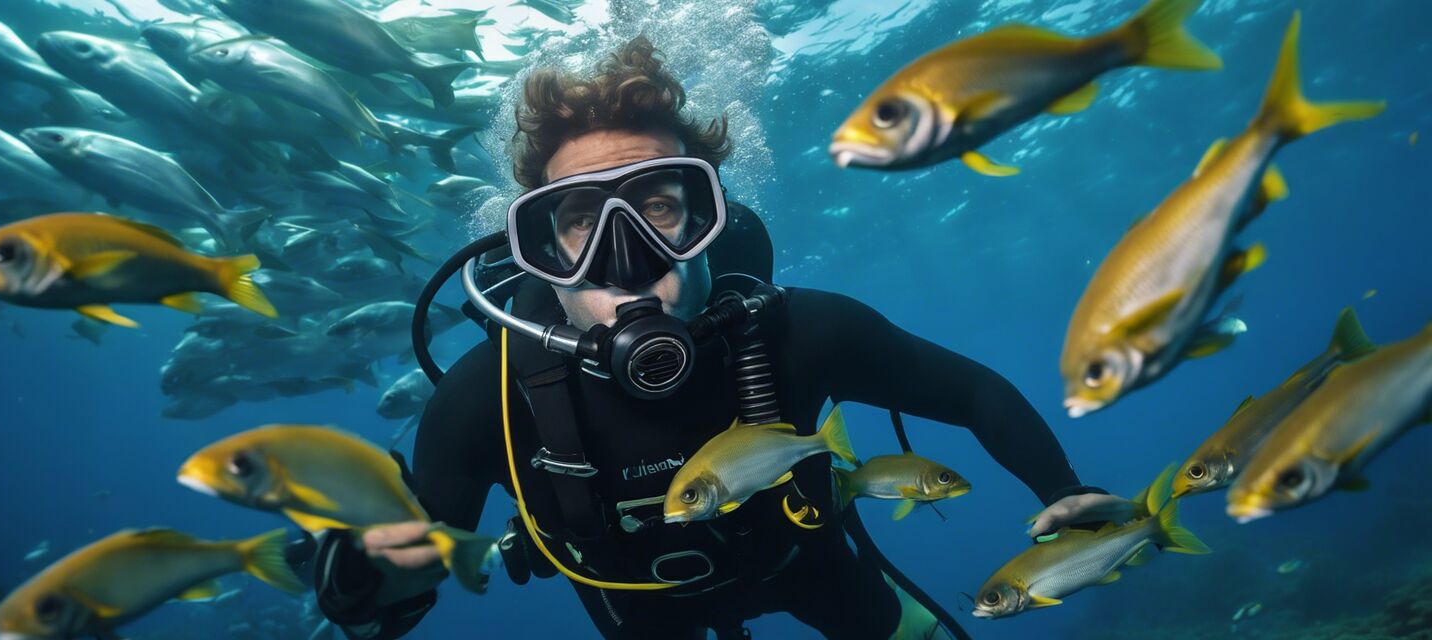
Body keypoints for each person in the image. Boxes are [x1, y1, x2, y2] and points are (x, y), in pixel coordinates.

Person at [310, 36, 1127, 639]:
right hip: (639, 612)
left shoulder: (803, 331)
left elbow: (973, 392)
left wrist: (1061, 488)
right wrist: (357, 581)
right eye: (582, 222)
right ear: (540, 253)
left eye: (658, 206)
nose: (625, 258)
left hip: (811, 565)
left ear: (708, 220)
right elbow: (409, 574)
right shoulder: (482, 399)